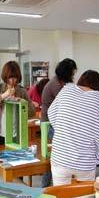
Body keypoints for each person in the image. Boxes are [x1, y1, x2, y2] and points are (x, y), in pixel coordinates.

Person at [48, 70, 99, 186]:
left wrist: (66, 130)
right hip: (85, 161)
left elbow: (51, 114)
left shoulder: (66, 90)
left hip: (60, 158)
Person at [40, 58, 77, 187]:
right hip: (49, 123)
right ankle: (46, 185)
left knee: (54, 154)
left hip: (52, 121)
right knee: (54, 155)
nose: (73, 75)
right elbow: (68, 102)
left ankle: (50, 183)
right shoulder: (56, 84)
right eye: (72, 73)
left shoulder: (59, 83)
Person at [0, 61, 36, 146]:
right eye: (10, 77)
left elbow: (32, 112)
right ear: (5, 77)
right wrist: (4, 95)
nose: (12, 81)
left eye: (15, 77)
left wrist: (22, 102)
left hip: (16, 135)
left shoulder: (22, 91)